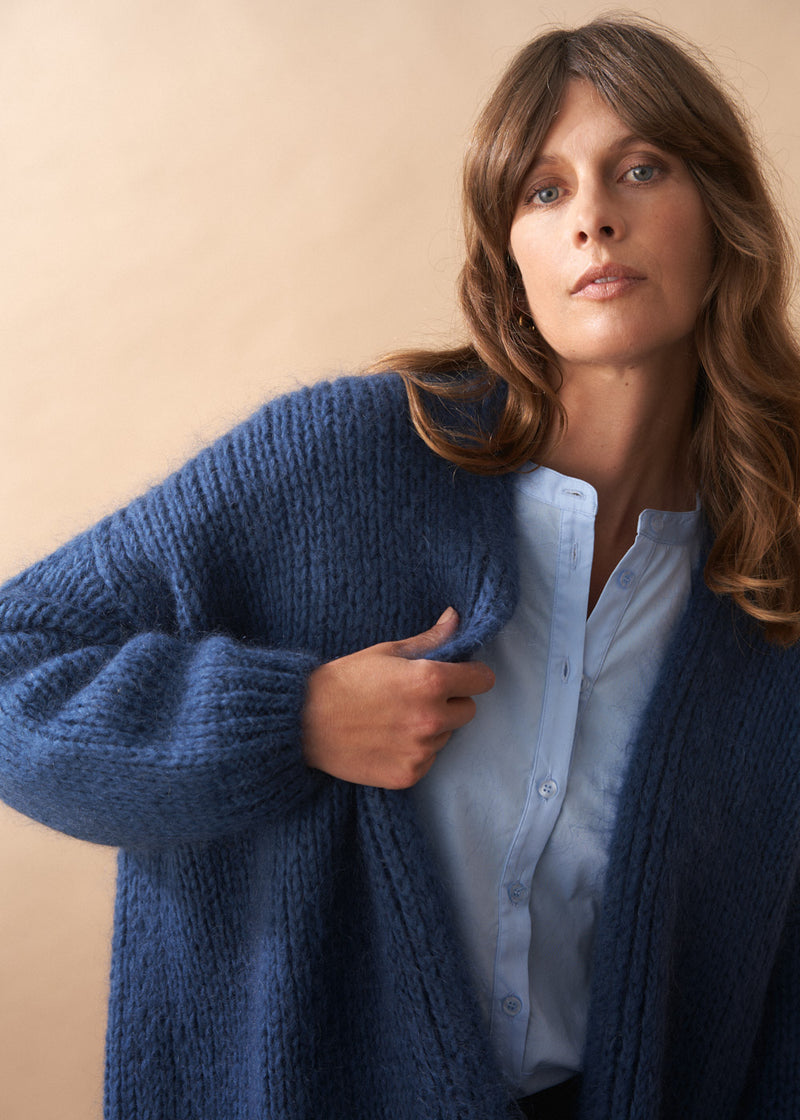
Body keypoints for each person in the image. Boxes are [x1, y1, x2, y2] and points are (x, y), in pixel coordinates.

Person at [1, 14, 799, 1120]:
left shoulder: (770, 569)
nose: (594, 218)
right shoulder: (340, 462)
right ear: (505, 248)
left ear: (722, 216)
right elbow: (11, 667)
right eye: (542, 190)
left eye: (639, 168)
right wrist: (290, 720)